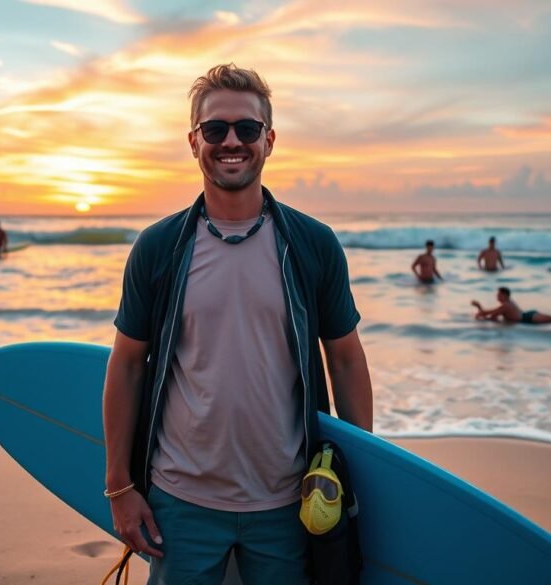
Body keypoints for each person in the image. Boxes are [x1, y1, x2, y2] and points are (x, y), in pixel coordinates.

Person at [102, 63, 373, 585]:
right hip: (180, 501)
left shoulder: (312, 244)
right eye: (215, 129)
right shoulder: (159, 248)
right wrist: (120, 486)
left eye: (247, 129)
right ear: (193, 140)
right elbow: (128, 365)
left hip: (289, 502)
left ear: (269, 141)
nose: (232, 141)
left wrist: (362, 472)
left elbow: (344, 356)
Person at [472, 287, 551, 326]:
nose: (496, 296)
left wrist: (478, 307)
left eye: (498, 294)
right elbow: (493, 317)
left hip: (528, 318)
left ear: (504, 295)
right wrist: (482, 314)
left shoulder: (506, 306)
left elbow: (488, 314)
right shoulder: (506, 304)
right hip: (527, 316)